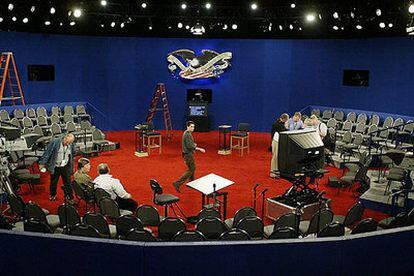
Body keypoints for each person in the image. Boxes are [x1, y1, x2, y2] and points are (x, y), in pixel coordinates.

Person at [38, 133, 75, 203]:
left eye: (69, 143)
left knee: (68, 182)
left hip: (65, 166)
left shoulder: (71, 144)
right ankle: (53, 194)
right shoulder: (55, 142)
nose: (67, 144)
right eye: (67, 142)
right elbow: (47, 153)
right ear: (65, 137)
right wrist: (42, 163)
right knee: (53, 182)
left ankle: (70, 197)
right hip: (55, 166)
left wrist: (72, 166)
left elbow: (72, 156)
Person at [173, 121, 206, 193]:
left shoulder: (187, 133)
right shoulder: (187, 134)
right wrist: (199, 148)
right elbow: (190, 146)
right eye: (191, 127)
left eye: (193, 127)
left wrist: (193, 144)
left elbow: (189, 144)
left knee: (192, 168)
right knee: (191, 169)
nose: (193, 128)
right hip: (188, 154)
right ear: (187, 127)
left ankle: (191, 183)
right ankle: (177, 183)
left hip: (187, 154)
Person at [270, 113, 289, 178]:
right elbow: (284, 130)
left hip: (276, 141)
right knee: (275, 156)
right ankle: (272, 172)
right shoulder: (278, 124)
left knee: (276, 157)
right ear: (284, 119)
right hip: (276, 141)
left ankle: (276, 171)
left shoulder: (278, 122)